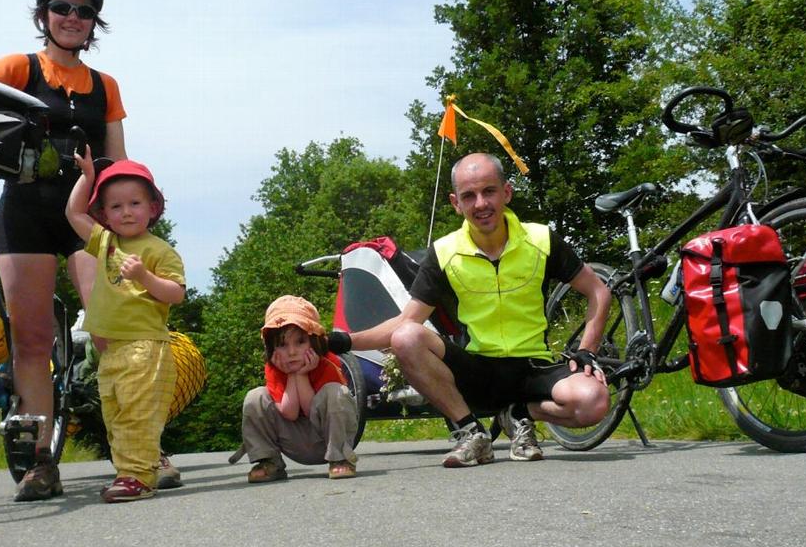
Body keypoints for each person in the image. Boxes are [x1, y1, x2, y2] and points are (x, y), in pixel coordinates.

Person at [0, 0, 177, 500]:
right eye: (62, 8)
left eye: (84, 11)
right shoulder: (17, 66)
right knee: (33, 339)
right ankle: (41, 458)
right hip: (24, 211)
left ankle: (139, 451)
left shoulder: (104, 85)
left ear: (95, 24)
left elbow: (118, 157)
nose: (72, 18)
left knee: (115, 330)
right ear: (43, 15)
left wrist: (135, 216)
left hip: (88, 218)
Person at [329, 152, 611, 468]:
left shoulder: (541, 239)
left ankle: (519, 413)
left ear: (506, 192)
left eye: (489, 191)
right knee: (407, 337)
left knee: (594, 401)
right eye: (469, 196)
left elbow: (598, 290)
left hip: (535, 367)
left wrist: (587, 351)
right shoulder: (444, 252)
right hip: (478, 371)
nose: (480, 203)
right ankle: (471, 432)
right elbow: (405, 322)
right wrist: (343, 341)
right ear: (455, 203)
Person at [65, 149, 186, 501]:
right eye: (115, 207)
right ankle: (129, 473)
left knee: (137, 414)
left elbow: (175, 293)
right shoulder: (106, 243)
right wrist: (87, 177)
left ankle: (138, 476)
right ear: (103, 214)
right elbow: (73, 212)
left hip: (145, 347)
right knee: (115, 415)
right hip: (111, 349)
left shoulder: (159, 250)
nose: (126, 211)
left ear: (152, 208)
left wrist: (143, 275)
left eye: (135, 203)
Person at [242, 296, 360, 482]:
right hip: (293, 441)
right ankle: (269, 461)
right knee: (255, 397)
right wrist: (292, 375)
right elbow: (289, 413)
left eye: (300, 342)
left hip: (325, 436)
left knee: (336, 392)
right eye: (282, 345)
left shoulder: (327, 364)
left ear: (314, 341)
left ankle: (340, 458)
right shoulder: (274, 368)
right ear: (271, 348)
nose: (291, 351)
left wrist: (302, 375)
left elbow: (310, 410)